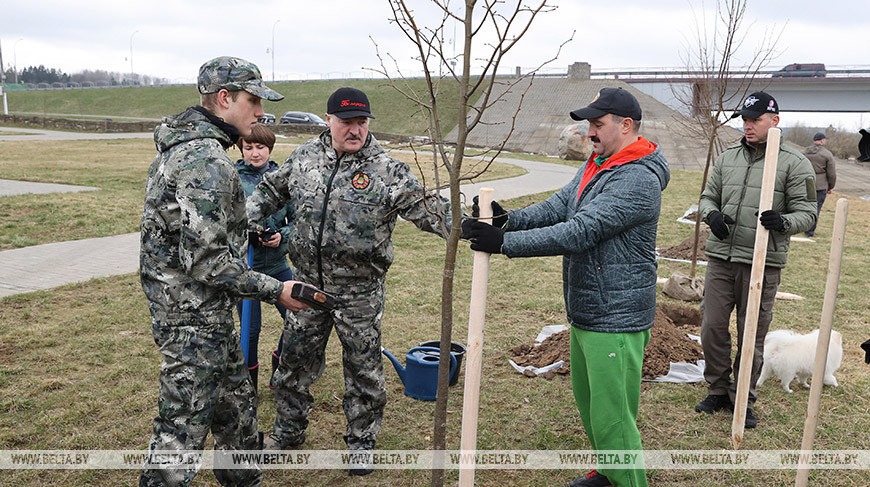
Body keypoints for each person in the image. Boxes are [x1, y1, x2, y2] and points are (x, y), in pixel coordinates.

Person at [463, 87, 669, 487]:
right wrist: (509, 220)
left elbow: (581, 231)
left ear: (626, 125)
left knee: (614, 419)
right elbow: (560, 206)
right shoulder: (600, 162)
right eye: (590, 125)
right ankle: (609, 473)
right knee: (592, 407)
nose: (589, 133)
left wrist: (505, 244)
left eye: (598, 124)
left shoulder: (637, 178)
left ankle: (627, 480)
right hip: (588, 308)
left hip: (616, 317)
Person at [246, 87, 455, 475]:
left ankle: (361, 443)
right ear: (329, 121)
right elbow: (271, 191)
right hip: (307, 287)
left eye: (362, 122)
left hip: (359, 293)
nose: (355, 130)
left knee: (363, 371)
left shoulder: (386, 170)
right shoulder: (305, 158)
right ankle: (287, 433)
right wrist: (242, 219)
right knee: (293, 366)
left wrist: (469, 224)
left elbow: (426, 207)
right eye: (346, 122)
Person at [139, 56, 307, 487]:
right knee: (178, 439)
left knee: (238, 417)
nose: (261, 112)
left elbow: (195, 233)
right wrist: (276, 289)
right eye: (254, 101)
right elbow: (207, 261)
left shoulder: (192, 148)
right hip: (192, 324)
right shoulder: (205, 160)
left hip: (209, 317)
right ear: (225, 98)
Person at [694, 91, 817, 429]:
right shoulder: (727, 158)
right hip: (721, 258)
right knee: (712, 327)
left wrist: (784, 222)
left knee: (752, 335)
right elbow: (707, 197)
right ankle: (718, 390)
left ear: (774, 121)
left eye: (755, 120)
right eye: (745, 120)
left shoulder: (795, 163)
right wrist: (712, 216)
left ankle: (743, 398)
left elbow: (808, 212)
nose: (748, 126)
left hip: (763, 262)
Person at [234, 123, 294, 392]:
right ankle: (249, 387)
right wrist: (248, 235)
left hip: (278, 265)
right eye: (249, 148)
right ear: (241, 149)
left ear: (270, 148)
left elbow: (297, 220)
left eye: (260, 147)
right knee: (250, 329)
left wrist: (282, 236)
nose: (255, 153)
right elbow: (225, 223)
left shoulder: (283, 179)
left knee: (297, 318)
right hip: (246, 268)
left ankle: (280, 367)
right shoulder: (233, 178)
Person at [802, 132, 836, 237]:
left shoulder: (804, 152)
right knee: (816, 208)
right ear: (822, 140)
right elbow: (831, 173)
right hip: (820, 185)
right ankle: (809, 232)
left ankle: (801, 226)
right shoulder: (827, 154)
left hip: (805, 183)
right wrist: (830, 186)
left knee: (804, 206)